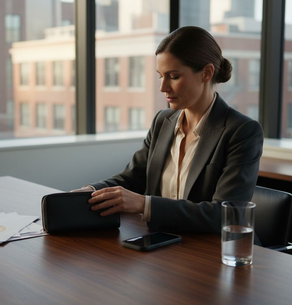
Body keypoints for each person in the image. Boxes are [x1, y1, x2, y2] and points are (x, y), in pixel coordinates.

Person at [79, 26, 263, 235]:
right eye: (161, 76)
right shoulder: (163, 121)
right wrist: (90, 192)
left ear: (206, 73)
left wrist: (144, 205)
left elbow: (226, 214)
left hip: (214, 253)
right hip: (164, 245)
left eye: (173, 76)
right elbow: (132, 179)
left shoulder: (242, 131)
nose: (163, 87)